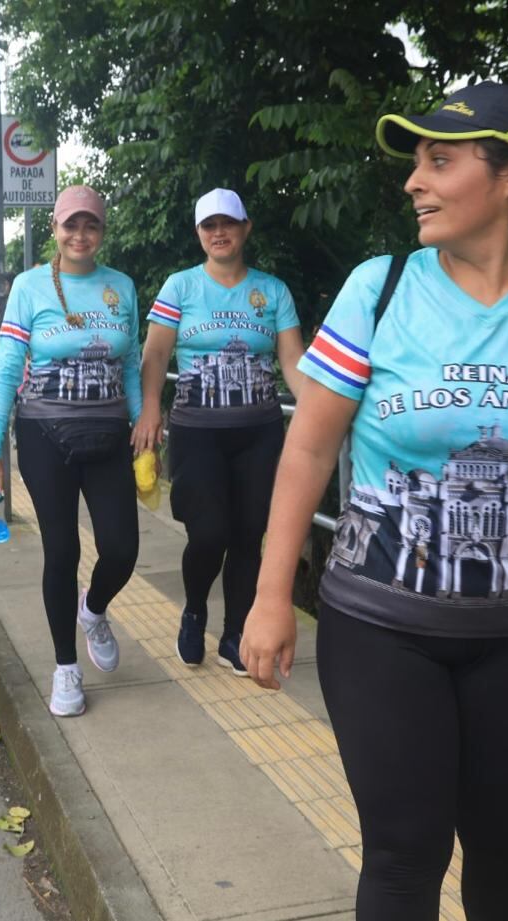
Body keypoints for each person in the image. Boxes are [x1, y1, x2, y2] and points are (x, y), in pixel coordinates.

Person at [240, 83, 508, 920]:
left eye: (440, 160)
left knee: (507, 853)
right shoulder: (380, 288)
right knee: (406, 855)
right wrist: (270, 597)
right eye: (416, 161)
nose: (415, 181)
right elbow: (309, 443)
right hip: (380, 624)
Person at [0, 184, 142, 718]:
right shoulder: (28, 287)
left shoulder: (121, 286)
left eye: (90, 225)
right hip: (45, 435)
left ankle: (92, 610)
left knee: (122, 548)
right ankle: (66, 668)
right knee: (62, 550)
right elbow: (4, 371)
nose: (80, 235)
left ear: (102, 231)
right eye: (71, 225)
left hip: (111, 434)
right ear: (55, 229)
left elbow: (131, 361)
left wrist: (142, 422)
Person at [132, 188, 305, 675]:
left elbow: (292, 362)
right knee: (208, 534)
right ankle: (193, 610)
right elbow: (157, 356)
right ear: (199, 234)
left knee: (249, 536)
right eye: (209, 225)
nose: (219, 232)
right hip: (197, 429)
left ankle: (235, 635)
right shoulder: (180, 287)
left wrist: (316, 410)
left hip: (260, 430)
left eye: (228, 223)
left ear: (246, 228)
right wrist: (149, 409)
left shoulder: (272, 291)